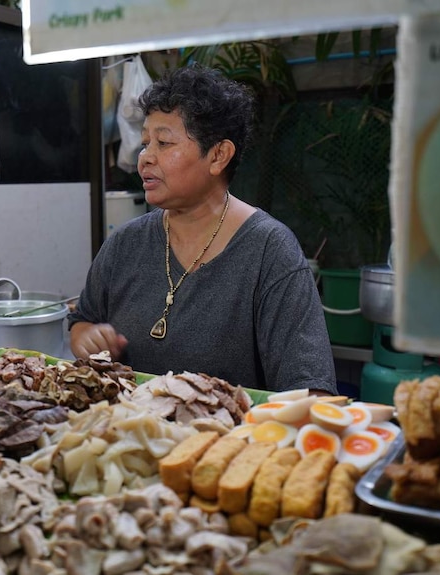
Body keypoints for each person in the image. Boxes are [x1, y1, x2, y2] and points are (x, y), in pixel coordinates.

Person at [68, 64, 336, 394]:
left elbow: (312, 391)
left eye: (164, 143)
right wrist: (85, 336)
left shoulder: (270, 251)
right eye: (145, 142)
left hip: (227, 441)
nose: (145, 158)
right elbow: (82, 320)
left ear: (218, 155)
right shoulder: (125, 243)